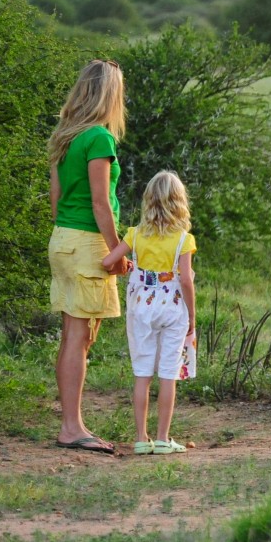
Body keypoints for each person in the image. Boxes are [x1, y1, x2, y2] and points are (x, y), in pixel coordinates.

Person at [48, 59, 129, 455]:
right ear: (110, 94)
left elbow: (56, 200)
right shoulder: (99, 138)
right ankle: (71, 427)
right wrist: (116, 250)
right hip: (86, 241)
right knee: (80, 338)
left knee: (72, 336)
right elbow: (101, 203)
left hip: (62, 237)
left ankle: (72, 422)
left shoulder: (65, 136)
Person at [102, 170, 197, 456]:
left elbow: (108, 262)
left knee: (142, 373)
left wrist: (129, 267)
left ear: (148, 200)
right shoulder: (183, 239)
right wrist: (191, 316)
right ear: (179, 201)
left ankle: (142, 438)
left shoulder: (135, 234)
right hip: (172, 308)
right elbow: (186, 279)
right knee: (168, 374)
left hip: (141, 307)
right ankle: (164, 439)